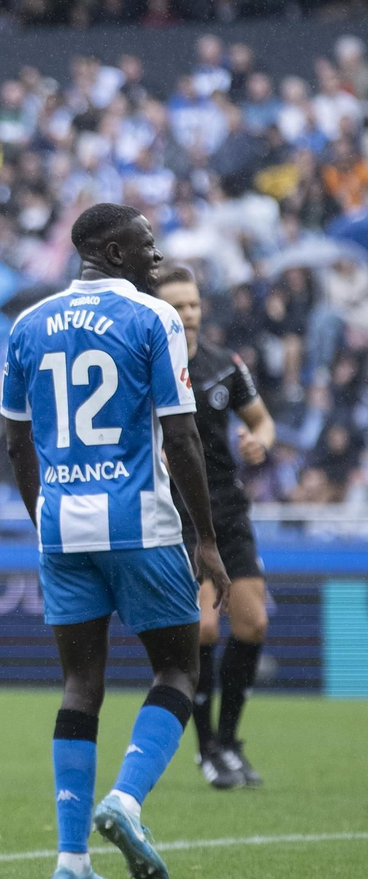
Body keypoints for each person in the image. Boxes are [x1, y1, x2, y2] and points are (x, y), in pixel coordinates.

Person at [1, 203, 230, 879]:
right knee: (177, 672)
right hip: (142, 526)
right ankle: (126, 799)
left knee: (80, 685)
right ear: (114, 251)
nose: (156, 256)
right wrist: (208, 539)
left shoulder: (27, 325)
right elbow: (182, 437)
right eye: (147, 245)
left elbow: (16, 441)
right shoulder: (152, 319)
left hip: (63, 528)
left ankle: (71, 860)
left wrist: (43, 516)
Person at [155, 264, 275, 788]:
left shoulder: (225, 366)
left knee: (252, 625)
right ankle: (206, 750)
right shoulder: (146, 370)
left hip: (226, 508)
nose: (188, 314)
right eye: (177, 306)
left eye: (194, 305)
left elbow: (261, 420)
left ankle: (229, 742)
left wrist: (261, 441)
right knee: (203, 627)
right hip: (177, 515)